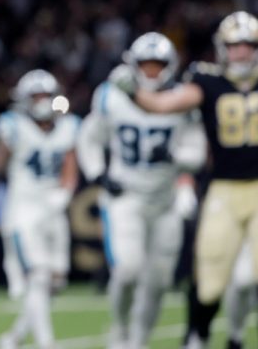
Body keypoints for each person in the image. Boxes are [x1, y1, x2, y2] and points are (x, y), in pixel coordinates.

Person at [109, 11, 258, 349]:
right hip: (224, 187)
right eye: (235, 46)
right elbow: (161, 105)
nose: (241, 53)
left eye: (248, 45)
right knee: (210, 279)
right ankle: (196, 336)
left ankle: (235, 337)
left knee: (249, 277)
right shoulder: (207, 82)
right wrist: (133, 90)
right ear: (223, 49)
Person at [77, 32, 207, 349]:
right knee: (127, 270)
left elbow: (198, 152)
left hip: (166, 201)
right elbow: (89, 138)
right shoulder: (111, 96)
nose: (150, 72)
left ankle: (139, 340)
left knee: (159, 282)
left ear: (170, 66)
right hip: (126, 198)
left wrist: (176, 158)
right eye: (145, 65)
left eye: (157, 65)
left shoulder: (182, 100)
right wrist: (99, 175)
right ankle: (120, 330)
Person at [0, 69, 80, 349]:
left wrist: (65, 192)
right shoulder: (14, 126)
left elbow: (70, 165)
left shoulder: (68, 126)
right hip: (23, 211)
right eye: (36, 96)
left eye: (45, 95)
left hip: (54, 209)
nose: (41, 101)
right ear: (24, 100)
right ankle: (46, 343)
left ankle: (14, 337)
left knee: (55, 282)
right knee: (37, 278)